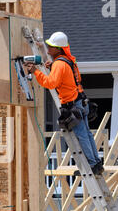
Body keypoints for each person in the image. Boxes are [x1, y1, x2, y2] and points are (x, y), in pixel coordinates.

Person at [24, 31, 104, 176]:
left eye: (51, 46)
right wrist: (52, 67)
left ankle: (92, 164)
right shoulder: (67, 61)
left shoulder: (60, 64)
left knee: (82, 136)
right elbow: (65, 78)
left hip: (73, 105)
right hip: (81, 102)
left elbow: (50, 83)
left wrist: (35, 71)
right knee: (87, 134)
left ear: (58, 49)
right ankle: (96, 163)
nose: (48, 48)